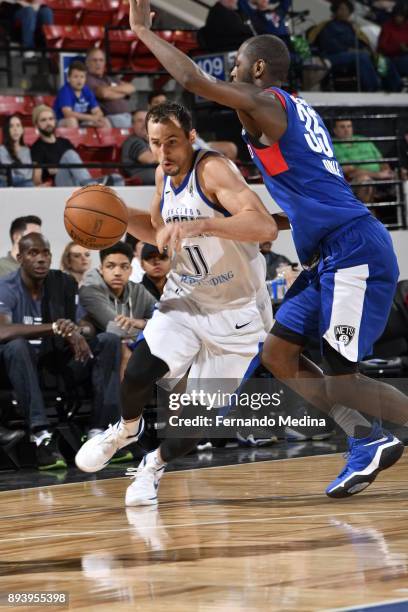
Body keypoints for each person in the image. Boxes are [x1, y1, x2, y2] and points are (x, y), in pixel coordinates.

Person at [121, 0, 408, 500]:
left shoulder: (266, 102)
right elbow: (308, 191)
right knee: (277, 353)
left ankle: (369, 436)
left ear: (256, 69)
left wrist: (143, 33)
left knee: (343, 376)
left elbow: (190, 80)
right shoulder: (290, 112)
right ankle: (365, 440)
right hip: (326, 254)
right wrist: (274, 220)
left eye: (233, 66)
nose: (228, 75)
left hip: (355, 248)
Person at [75, 101, 277, 506]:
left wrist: (202, 223)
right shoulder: (161, 174)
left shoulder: (214, 170)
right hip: (186, 294)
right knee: (139, 372)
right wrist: (111, 216)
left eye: (171, 143)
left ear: (190, 137)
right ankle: (126, 429)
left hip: (237, 310)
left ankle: (152, 465)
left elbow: (264, 225)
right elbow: (155, 230)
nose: (164, 153)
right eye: (155, 144)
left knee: (193, 420)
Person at [0, 232, 124, 467]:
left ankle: (100, 432)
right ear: (19, 258)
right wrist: (55, 327)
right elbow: (2, 331)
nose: (41, 259)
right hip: (19, 367)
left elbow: (85, 323)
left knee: (108, 341)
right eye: (33, 253)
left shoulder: (62, 283)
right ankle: (41, 436)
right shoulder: (6, 287)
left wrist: (78, 331)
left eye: (45, 253)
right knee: (17, 346)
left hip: (55, 363)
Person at [79, 241, 156, 385]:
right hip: (94, 355)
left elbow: (165, 320)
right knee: (121, 346)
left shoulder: (138, 291)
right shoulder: (90, 291)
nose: (117, 272)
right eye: (110, 266)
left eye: (124, 267)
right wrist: (149, 329)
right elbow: (115, 328)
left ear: (131, 270)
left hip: (133, 347)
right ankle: (121, 406)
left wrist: (143, 323)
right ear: (101, 269)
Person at [308, 0, 401, 92]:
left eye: (346, 9)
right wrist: (349, 50)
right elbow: (329, 46)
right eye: (341, 9)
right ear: (335, 11)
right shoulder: (328, 26)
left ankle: (394, 89)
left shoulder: (352, 27)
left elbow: (361, 43)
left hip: (353, 55)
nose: (344, 12)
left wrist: (364, 49)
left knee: (381, 60)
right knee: (361, 57)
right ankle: (372, 89)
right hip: (333, 57)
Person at [31, 105, 123, 187]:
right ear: (36, 124)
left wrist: (57, 168)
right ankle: (91, 187)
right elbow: (36, 179)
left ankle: (91, 186)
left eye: (51, 119)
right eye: (43, 120)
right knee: (69, 154)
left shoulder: (65, 142)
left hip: (76, 182)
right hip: (59, 184)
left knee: (117, 179)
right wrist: (48, 173)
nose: (48, 123)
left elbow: (78, 168)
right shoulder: (37, 148)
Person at [148, 91, 238, 161]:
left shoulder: (173, 116)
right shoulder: (148, 121)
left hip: (195, 142)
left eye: (163, 102)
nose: (160, 105)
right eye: (157, 102)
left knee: (230, 148)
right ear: (149, 106)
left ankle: (227, 174)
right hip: (180, 146)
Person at [332, 118, 395, 203]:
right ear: (335, 130)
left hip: (380, 177)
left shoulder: (363, 139)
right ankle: (366, 214)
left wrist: (386, 170)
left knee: (403, 175)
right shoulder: (334, 145)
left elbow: (381, 160)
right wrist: (378, 175)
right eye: (342, 127)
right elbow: (351, 172)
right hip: (354, 181)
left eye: (349, 126)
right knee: (366, 181)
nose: (346, 130)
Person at [86, 48, 135, 128]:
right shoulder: (87, 79)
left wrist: (109, 89)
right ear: (87, 63)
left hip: (127, 117)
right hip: (109, 119)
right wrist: (123, 93)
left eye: (101, 60)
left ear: (104, 63)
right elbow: (103, 93)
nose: (98, 63)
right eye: (94, 60)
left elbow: (131, 88)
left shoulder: (111, 78)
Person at [53, 60, 110, 129]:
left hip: (81, 121)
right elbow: (68, 114)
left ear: (85, 79)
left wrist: (96, 117)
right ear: (68, 78)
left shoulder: (86, 90)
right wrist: (91, 118)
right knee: (72, 121)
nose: (79, 80)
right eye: (76, 77)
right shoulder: (65, 91)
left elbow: (98, 111)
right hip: (60, 121)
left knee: (104, 121)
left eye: (82, 77)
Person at [121, 109, 157, 184]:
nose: (144, 124)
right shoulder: (134, 141)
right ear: (133, 125)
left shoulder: (149, 141)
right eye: (140, 121)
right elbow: (149, 159)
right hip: (144, 183)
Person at [0, 115, 34, 187]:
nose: (15, 129)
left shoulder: (26, 150)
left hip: (24, 184)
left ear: (22, 130)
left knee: (29, 184)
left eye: (18, 125)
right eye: (11, 126)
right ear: (7, 130)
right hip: (6, 183)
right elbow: (9, 172)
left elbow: (27, 174)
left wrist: (17, 172)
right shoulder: (2, 149)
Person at [378, 3, 408, 78]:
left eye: (401, 16)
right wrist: (398, 47)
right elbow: (382, 48)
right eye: (396, 15)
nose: (398, 18)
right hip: (390, 59)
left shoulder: (406, 27)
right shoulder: (387, 27)